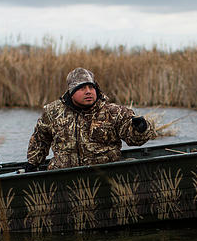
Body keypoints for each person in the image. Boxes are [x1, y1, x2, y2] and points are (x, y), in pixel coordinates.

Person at [24, 67, 155, 171]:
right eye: (82, 88)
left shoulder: (113, 112)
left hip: (105, 174)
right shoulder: (52, 112)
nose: (88, 91)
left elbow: (135, 139)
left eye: (91, 87)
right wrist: (32, 163)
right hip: (63, 175)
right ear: (71, 92)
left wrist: (141, 128)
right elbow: (40, 139)